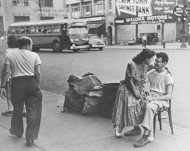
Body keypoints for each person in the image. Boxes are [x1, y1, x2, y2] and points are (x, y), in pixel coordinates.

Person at [0, 36, 42, 147]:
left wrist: (2, 86)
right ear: (27, 45)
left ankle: (17, 131)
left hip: (16, 84)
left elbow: (6, 72)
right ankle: (30, 138)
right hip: (31, 83)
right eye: (31, 45)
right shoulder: (35, 55)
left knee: (17, 109)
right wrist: (37, 85)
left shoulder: (10, 55)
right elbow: (37, 73)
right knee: (33, 111)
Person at [112, 49, 156, 138]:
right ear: (146, 58)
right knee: (130, 107)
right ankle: (119, 128)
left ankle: (137, 128)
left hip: (139, 87)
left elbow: (145, 80)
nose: (152, 61)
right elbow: (130, 82)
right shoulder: (132, 65)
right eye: (151, 59)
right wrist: (136, 94)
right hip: (128, 89)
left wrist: (146, 93)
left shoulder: (146, 65)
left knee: (144, 104)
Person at [134, 52, 174, 148]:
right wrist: (146, 68)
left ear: (164, 63)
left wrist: (154, 98)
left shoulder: (168, 76)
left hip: (161, 99)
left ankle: (146, 136)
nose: (155, 63)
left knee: (149, 107)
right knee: (135, 102)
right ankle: (136, 128)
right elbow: (141, 81)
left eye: (158, 61)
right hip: (151, 96)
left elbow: (168, 96)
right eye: (155, 60)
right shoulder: (152, 72)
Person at [0, 35, 18, 116]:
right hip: (20, 76)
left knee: (8, 92)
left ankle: (10, 108)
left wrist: (2, 82)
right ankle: (23, 109)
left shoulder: (7, 52)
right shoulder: (20, 51)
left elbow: (5, 69)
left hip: (10, 76)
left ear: (8, 43)